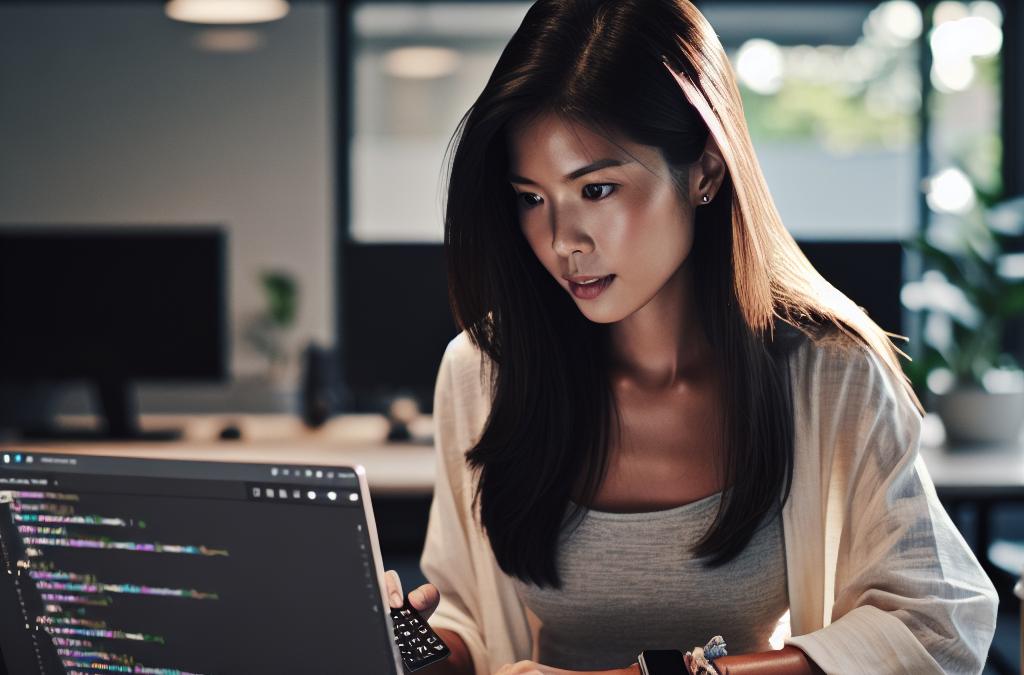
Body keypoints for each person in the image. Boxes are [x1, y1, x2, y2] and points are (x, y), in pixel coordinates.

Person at [384, 0, 998, 673]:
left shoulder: (829, 371)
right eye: (532, 197)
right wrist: (400, 641)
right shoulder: (485, 371)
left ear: (705, 169)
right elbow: (468, 617)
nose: (562, 240)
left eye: (598, 189)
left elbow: (939, 624)